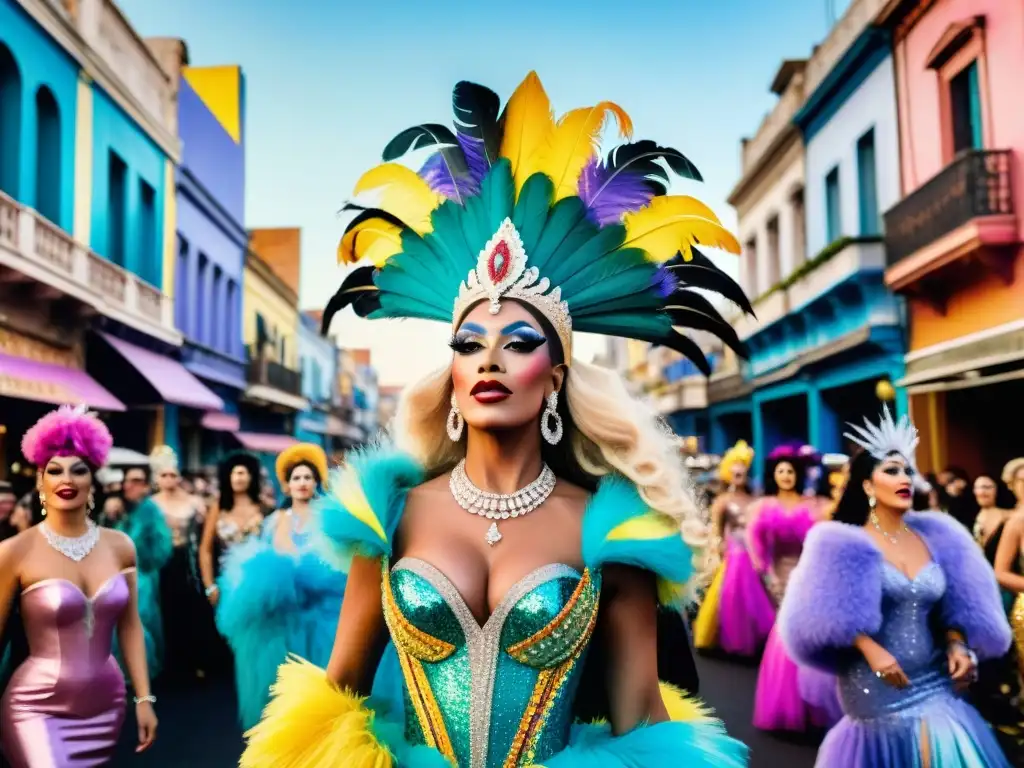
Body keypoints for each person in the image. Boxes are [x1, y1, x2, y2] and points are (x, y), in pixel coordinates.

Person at [239, 71, 752, 767]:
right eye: (469, 346)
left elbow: (642, 722)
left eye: (517, 345)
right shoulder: (387, 516)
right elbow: (339, 696)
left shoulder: (612, 532)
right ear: (449, 375)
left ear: (556, 377)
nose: (490, 362)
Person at [780, 409, 1011, 767]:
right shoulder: (840, 543)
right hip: (872, 682)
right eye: (891, 470)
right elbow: (814, 619)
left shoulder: (940, 535)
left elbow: (955, 607)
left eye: (907, 470)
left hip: (935, 677)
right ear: (867, 485)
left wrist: (956, 642)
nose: (904, 478)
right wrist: (869, 648)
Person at [0, 405, 157, 765]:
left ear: (93, 480)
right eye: (54, 470)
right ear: (40, 481)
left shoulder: (120, 546)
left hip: (106, 702)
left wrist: (144, 699)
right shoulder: (14, 551)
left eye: (78, 470)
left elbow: (130, 626)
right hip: (34, 708)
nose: (66, 479)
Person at [216, 443, 346, 728]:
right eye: (296, 478)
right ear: (287, 486)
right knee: (282, 693)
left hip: (322, 615)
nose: (302, 483)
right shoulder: (274, 521)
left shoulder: (329, 517)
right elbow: (260, 565)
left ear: (316, 483)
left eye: (308, 477)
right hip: (283, 619)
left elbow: (340, 562)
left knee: (321, 690)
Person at [747, 445, 831, 731]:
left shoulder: (814, 505)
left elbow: (823, 543)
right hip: (779, 578)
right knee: (784, 637)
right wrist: (768, 577)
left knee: (809, 636)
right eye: (781, 471)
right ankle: (788, 704)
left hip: (809, 576)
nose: (786, 475)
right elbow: (756, 547)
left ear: (798, 475)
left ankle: (813, 703)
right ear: (774, 475)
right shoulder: (763, 507)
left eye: (790, 471)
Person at [693, 441, 774, 656]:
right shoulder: (723, 500)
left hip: (753, 553)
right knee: (731, 595)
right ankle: (732, 639)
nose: (739, 470)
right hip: (733, 554)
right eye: (734, 466)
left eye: (742, 466)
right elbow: (717, 531)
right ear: (728, 471)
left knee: (757, 597)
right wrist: (718, 551)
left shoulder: (754, 499)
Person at [102, 461, 173, 680]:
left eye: (137, 481)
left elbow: (162, 547)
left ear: (145, 485)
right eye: (128, 481)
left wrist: (143, 563)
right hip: (112, 576)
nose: (131, 486)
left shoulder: (150, 510)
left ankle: (137, 671)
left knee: (139, 622)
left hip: (141, 576)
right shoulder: (116, 506)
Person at [197, 451, 264, 678]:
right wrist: (209, 585)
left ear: (251, 476)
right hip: (225, 581)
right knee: (225, 638)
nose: (239, 477)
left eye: (243, 473)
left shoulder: (263, 507)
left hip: (256, 582)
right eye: (234, 473)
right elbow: (205, 549)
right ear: (227, 476)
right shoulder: (218, 506)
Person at [149, 445, 208, 685]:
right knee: (164, 611)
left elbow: (204, 533)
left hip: (187, 562)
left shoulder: (194, 501)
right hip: (160, 564)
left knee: (190, 611)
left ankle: (194, 662)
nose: (169, 479)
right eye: (164, 475)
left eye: (173, 474)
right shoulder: (150, 504)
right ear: (157, 478)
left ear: (180, 477)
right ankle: (169, 664)